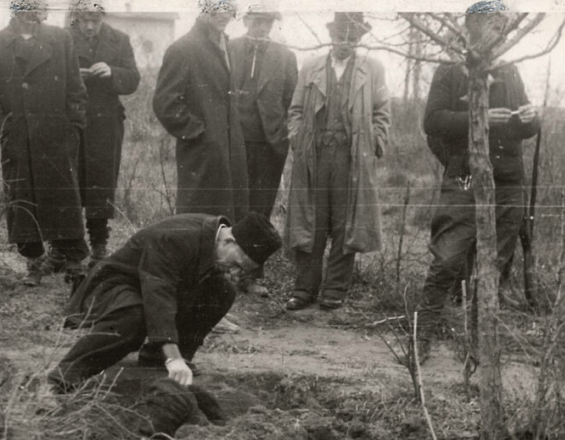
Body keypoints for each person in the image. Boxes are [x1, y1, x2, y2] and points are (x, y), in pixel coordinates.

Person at [409, 9, 540, 365]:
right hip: (465, 179)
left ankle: (481, 347)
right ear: (470, 30)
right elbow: (432, 121)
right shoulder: (451, 71)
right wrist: (479, 118)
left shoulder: (511, 70)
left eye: (500, 27)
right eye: (487, 26)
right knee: (447, 260)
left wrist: (532, 118)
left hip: (508, 182)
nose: (494, 33)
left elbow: (527, 126)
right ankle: (420, 343)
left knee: (493, 268)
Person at [46, 212, 282, 391]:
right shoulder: (176, 239)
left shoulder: (214, 241)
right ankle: (65, 376)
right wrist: (173, 355)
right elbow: (159, 294)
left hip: (147, 286)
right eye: (237, 266)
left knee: (223, 290)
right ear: (228, 241)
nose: (235, 273)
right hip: (114, 284)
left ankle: (157, 359)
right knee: (134, 316)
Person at [285, 12, 391, 311]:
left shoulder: (372, 70)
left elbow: (383, 112)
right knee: (311, 222)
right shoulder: (311, 67)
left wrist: (375, 144)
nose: (345, 42)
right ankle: (304, 289)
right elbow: (294, 110)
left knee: (347, 225)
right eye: (340, 35)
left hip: (352, 158)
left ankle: (335, 289)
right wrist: (297, 138)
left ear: (358, 39)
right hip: (314, 157)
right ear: (331, 36)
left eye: (351, 37)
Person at [0, 0, 89, 287]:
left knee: (64, 196)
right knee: (22, 198)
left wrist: (73, 128)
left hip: (56, 136)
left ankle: (74, 260)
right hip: (18, 138)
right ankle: (33, 262)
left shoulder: (60, 39)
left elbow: (76, 89)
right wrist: (3, 132)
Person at [152, 0, 249, 223]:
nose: (223, 15)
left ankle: (222, 257)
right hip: (201, 153)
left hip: (229, 149)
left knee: (228, 215)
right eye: (216, 8)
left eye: (228, 9)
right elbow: (165, 103)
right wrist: (199, 133)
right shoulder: (183, 48)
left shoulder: (225, 45)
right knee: (197, 217)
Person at [228, 3, 297, 297]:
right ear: (246, 21)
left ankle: (253, 274)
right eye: (256, 21)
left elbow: (293, 102)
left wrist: (284, 135)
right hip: (233, 140)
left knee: (261, 209)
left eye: (267, 22)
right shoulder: (228, 48)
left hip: (270, 144)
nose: (261, 27)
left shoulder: (285, 56)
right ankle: (225, 272)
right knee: (232, 206)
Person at [66, 0, 141, 266]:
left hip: (105, 123)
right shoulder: (62, 37)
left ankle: (99, 244)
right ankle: (65, 246)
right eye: (84, 20)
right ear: (76, 17)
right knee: (67, 182)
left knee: (100, 183)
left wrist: (112, 72)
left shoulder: (119, 40)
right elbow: (49, 76)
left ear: (103, 17)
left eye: (94, 21)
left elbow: (133, 78)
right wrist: (72, 75)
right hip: (69, 121)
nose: (89, 26)